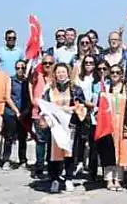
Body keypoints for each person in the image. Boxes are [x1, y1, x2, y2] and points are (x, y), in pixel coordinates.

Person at [41, 62, 85, 193]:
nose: (61, 75)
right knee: (54, 154)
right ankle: (55, 179)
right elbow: (44, 107)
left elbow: (81, 106)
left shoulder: (75, 89)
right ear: (54, 74)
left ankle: (68, 179)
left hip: (70, 125)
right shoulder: (49, 90)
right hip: (55, 126)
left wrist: (68, 109)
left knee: (69, 152)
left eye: (63, 72)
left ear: (68, 73)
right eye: (58, 72)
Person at [95, 64, 127, 191]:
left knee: (121, 152)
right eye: (112, 72)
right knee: (108, 152)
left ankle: (118, 179)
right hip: (108, 125)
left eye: (117, 72)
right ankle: (109, 179)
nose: (115, 74)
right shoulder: (105, 89)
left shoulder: (126, 89)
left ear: (122, 75)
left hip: (121, 124)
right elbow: (98, 108)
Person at [1, 58, 31, 169]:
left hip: (24, 113)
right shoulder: (11, 80)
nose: (20, 70)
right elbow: (7, 97)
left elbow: (29, 98)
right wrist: (16, 111)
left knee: (23, 137)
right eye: (18, 68)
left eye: (22, 68)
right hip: (11, 112)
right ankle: (6, 160)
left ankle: (22, 160)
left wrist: (25, 112)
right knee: (9, 136)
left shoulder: (27, 81)